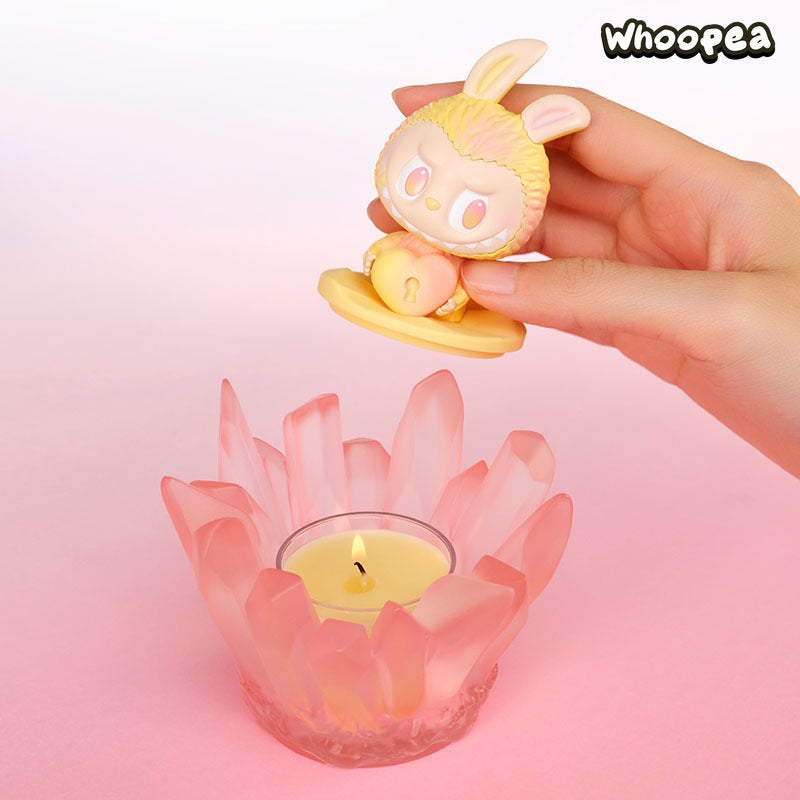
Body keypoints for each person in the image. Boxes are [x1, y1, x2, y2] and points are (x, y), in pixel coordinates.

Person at [367, 83, 800, 480]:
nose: (434, 202)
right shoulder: (408, 239)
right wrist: (381, 258)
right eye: (418, 176)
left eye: (472, 210)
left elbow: (455, 284)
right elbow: (387, 248)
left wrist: (453, 295)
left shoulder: (464, 262)